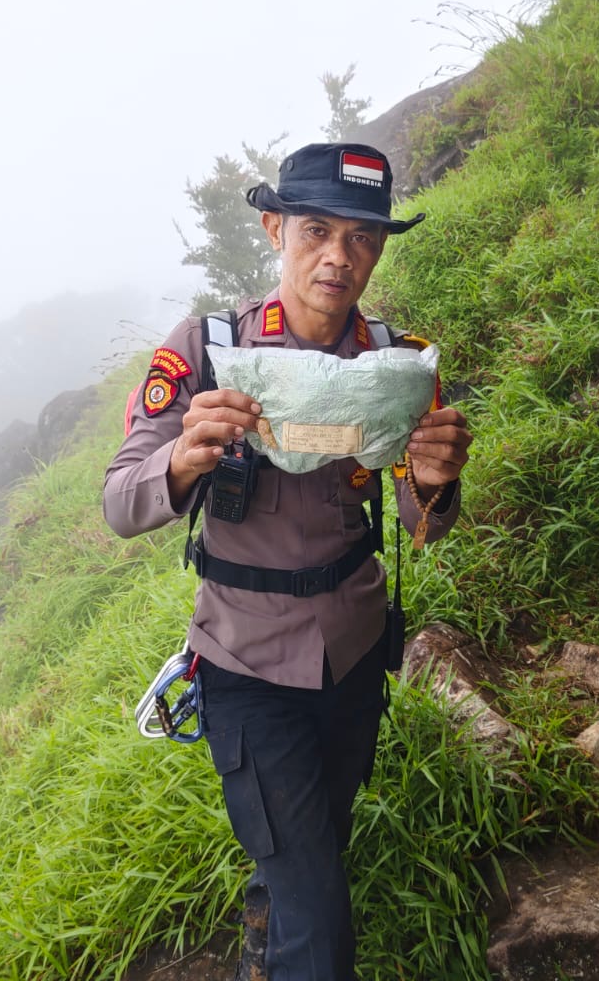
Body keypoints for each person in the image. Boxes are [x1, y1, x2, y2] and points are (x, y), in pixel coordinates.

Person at [103, 142, 471, 980]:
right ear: (275, 228)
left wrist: (437, 481)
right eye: (315, 231)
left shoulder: (398, 364)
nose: (338, 258)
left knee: (317, 851)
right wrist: (186, 457)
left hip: (353, 655)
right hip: (245, 668)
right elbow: (121, 501)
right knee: (323, 927)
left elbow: (423, 521)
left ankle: (268, 925)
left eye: (363, 239)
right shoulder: (209, 348)